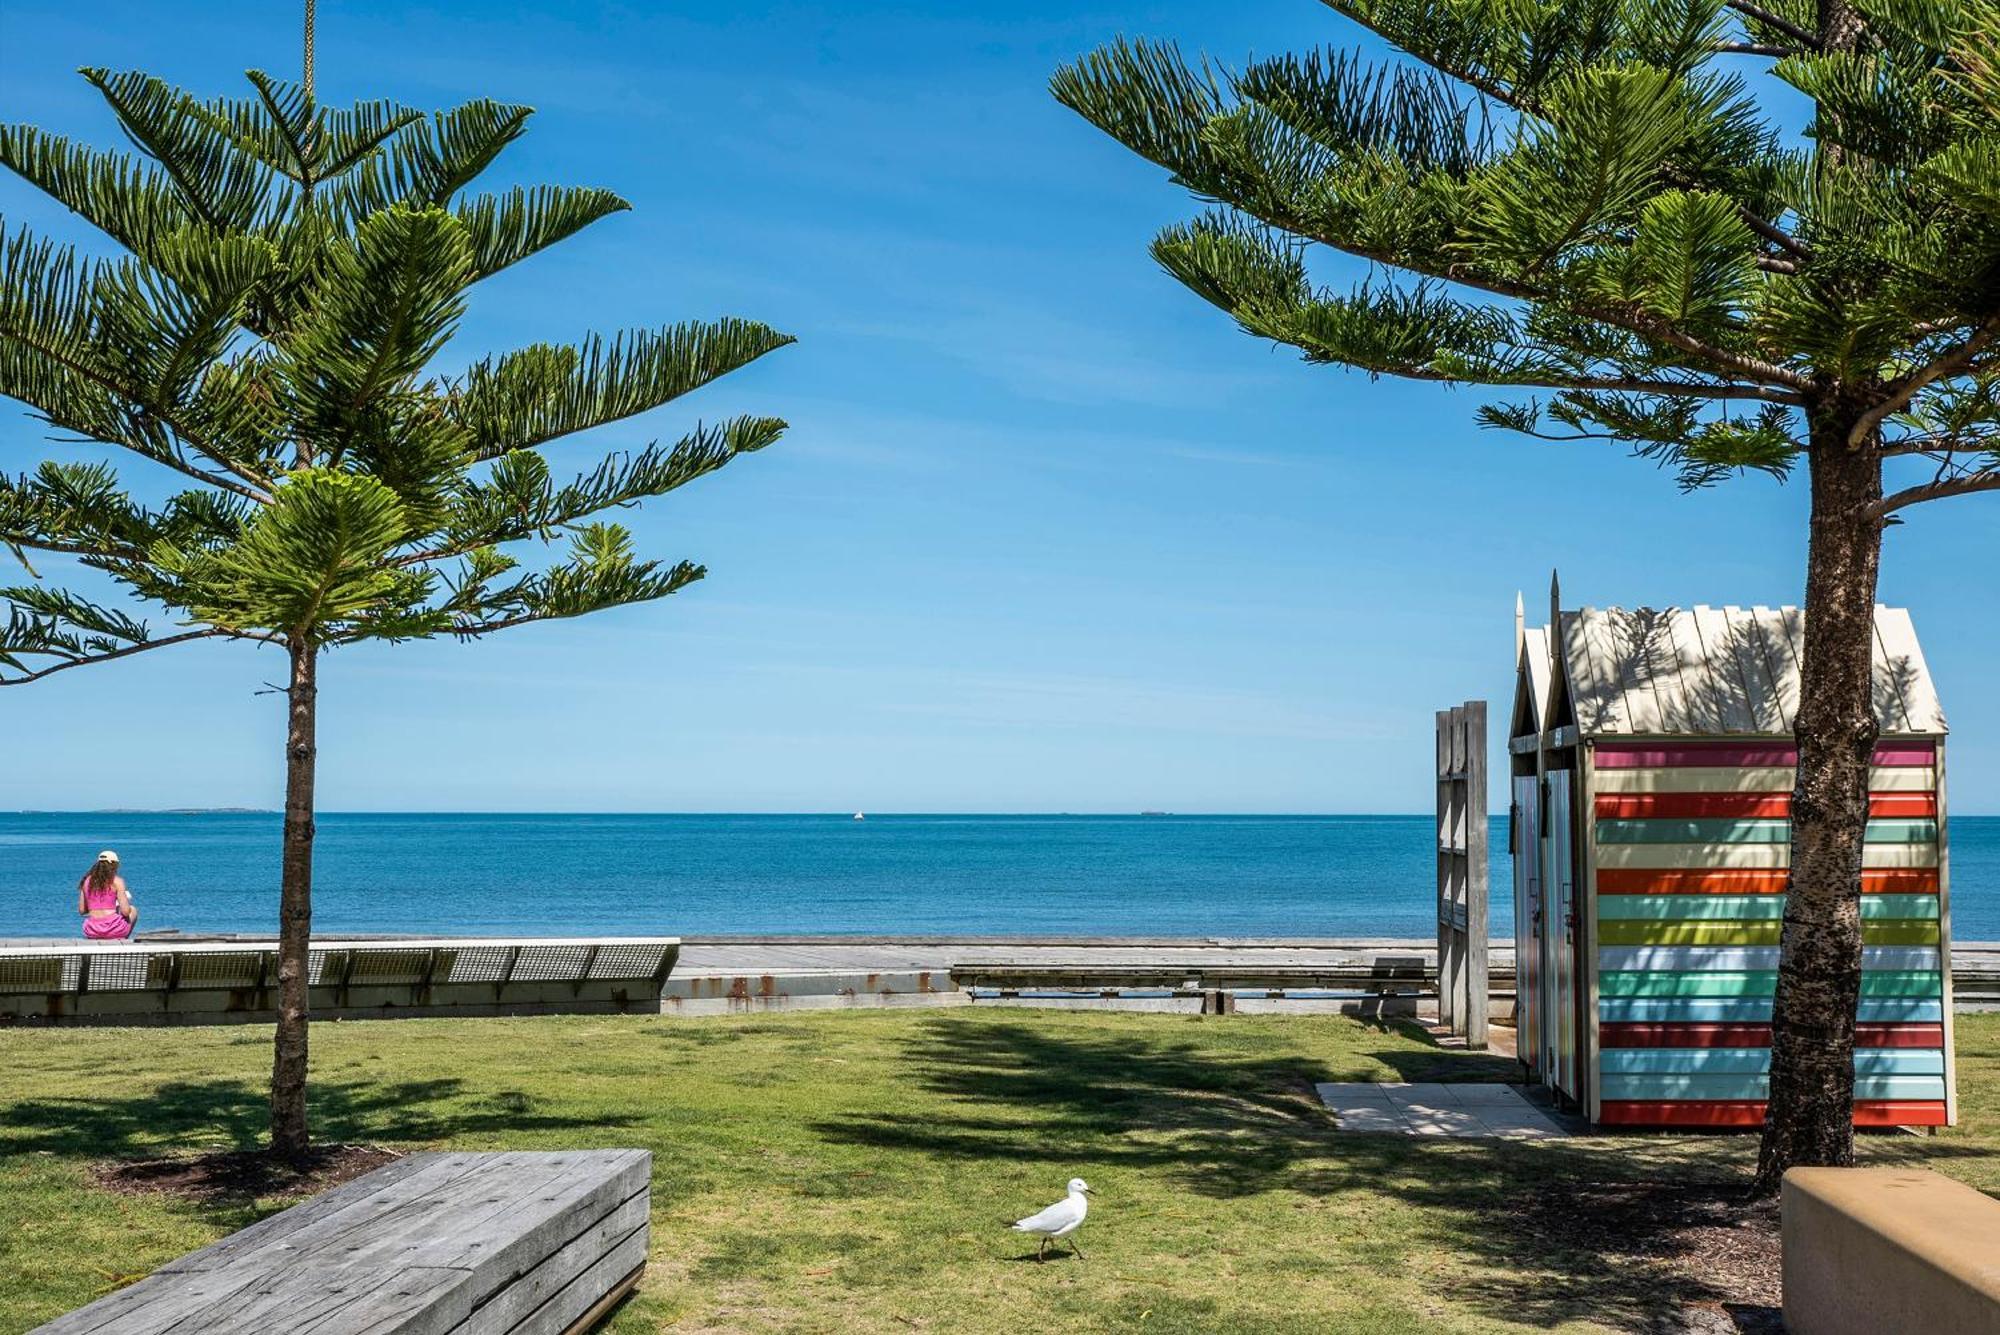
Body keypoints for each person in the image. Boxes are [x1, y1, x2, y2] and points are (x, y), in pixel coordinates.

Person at [78, 850, 137, 941]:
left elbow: (82, 911)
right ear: (114, 865)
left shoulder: (86, 881)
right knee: (133, 910)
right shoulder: (117, 881)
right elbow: (125, 911)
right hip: (114, 930)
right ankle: (122, 939)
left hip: (92, 930)